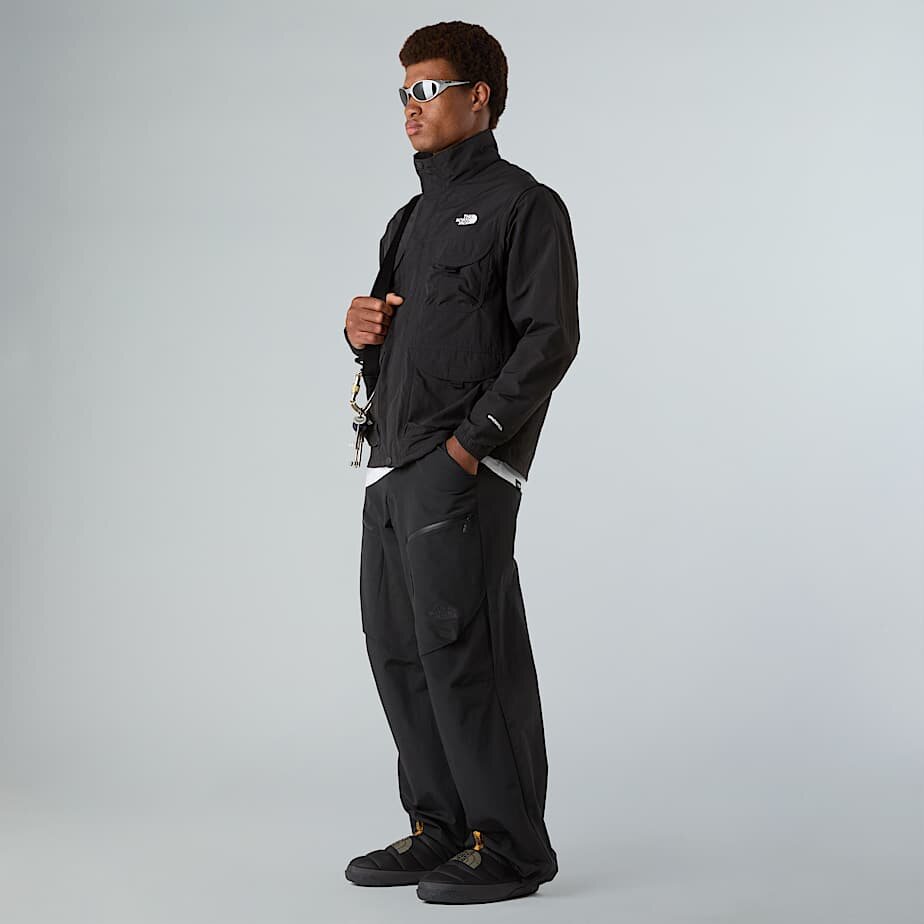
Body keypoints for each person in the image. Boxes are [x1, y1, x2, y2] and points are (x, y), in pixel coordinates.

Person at [342, 20, 579, 905]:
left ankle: (509, 845)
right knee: (398, 648)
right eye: (403, 93)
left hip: (459, 470)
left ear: (478, 97)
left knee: (466, 650)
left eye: (427, 89)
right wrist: (362, 333)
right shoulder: (408, 220)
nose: (411, 108)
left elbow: (550, 339)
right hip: (393, 467)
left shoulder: (526, 205)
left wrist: (469, 445)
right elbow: (406, 344)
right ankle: (441, 827)